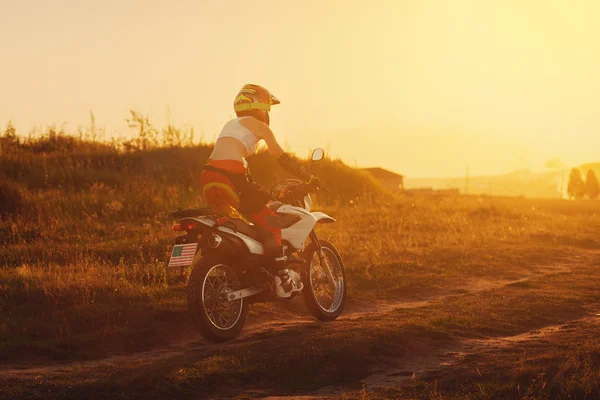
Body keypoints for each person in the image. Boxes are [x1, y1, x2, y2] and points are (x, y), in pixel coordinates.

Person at [200, 84, 321, 298]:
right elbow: (281, 158)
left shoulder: (231, 125)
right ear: (260, 107)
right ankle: (282, 278)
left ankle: (244, 271)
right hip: (231, 175)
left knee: (236, 226)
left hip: (209, 176)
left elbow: (236, 161)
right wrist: (308, 177)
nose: (268, 114)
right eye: (267, 109)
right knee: (271, 224)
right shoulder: (259, 125)